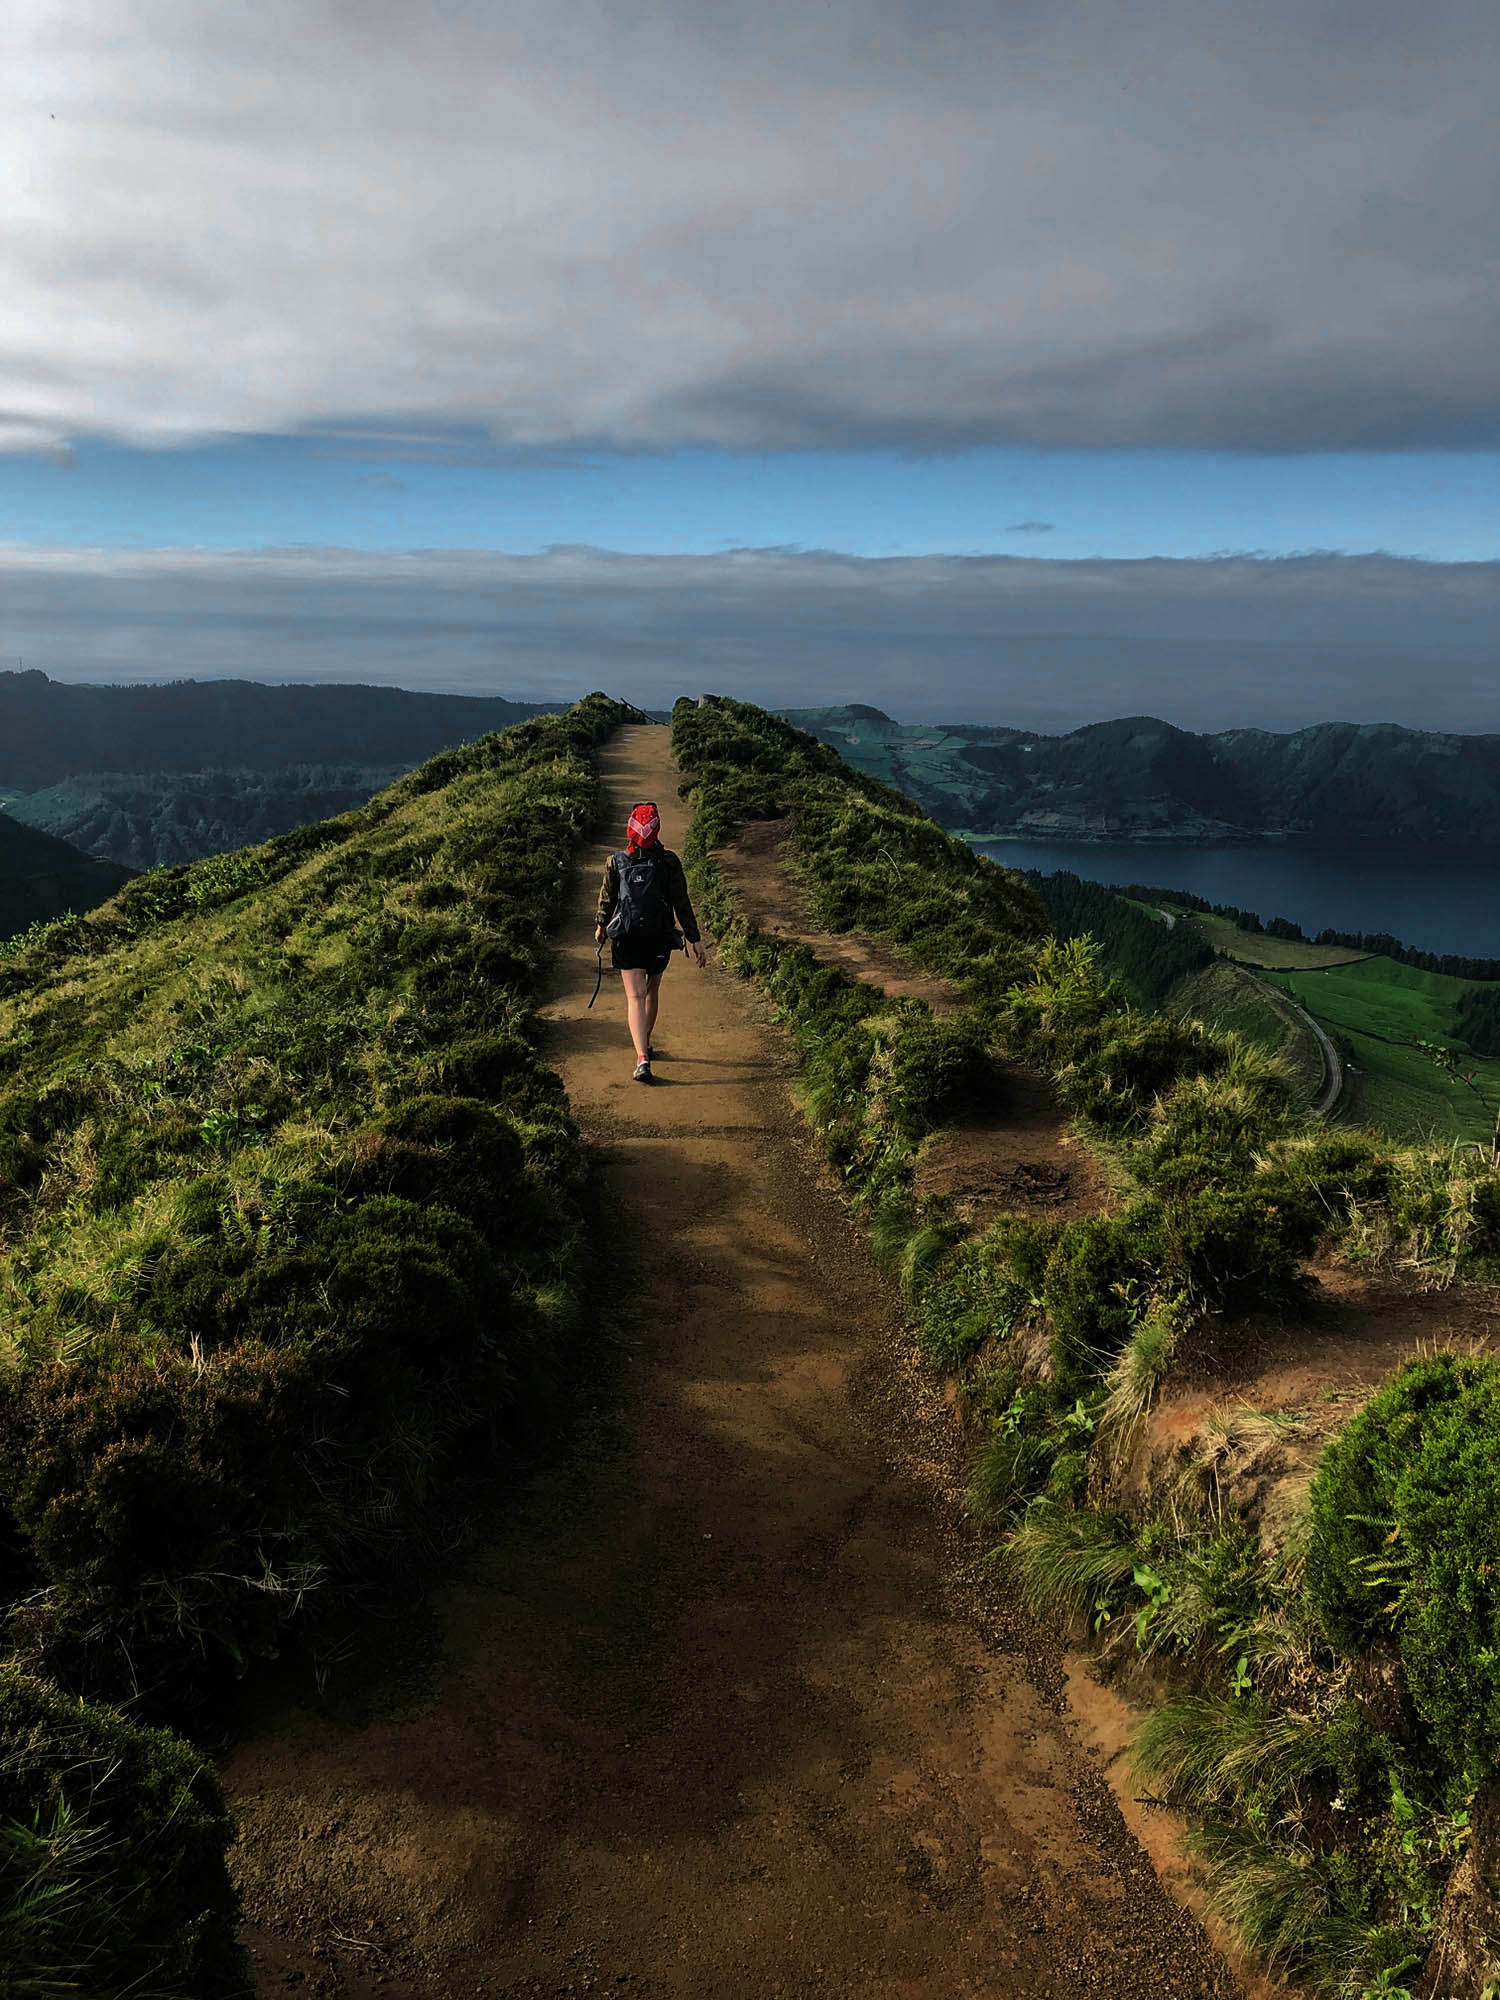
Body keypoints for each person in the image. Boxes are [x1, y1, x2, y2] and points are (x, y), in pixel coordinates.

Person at [594, 801, 706, 1082]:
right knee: (651, 991)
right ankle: (645, 1041)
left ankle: (642, 1057)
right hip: (659, 937)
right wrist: (694, 939)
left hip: (628, 937)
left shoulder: (616, 861)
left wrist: (601, 926)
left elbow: (607, 899)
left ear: (630, 830)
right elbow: (681, 902)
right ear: (657, 830)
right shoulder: (669, 862)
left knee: (634, 997)